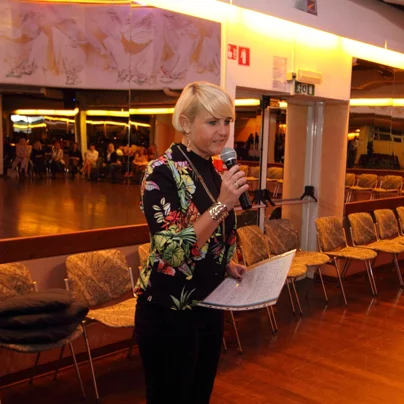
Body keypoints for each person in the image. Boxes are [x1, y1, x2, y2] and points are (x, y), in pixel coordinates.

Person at [134, 81, 248, 404]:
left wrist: (226, 263)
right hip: (169, 311)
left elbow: (208, 235)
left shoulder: (213, 169)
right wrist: (222, 204)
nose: (223, 131)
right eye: (212, 122)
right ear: (185, 123)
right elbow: (172, 250)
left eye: (227, 121)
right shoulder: (161, 173)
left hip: (208, 306)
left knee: (199, 396)